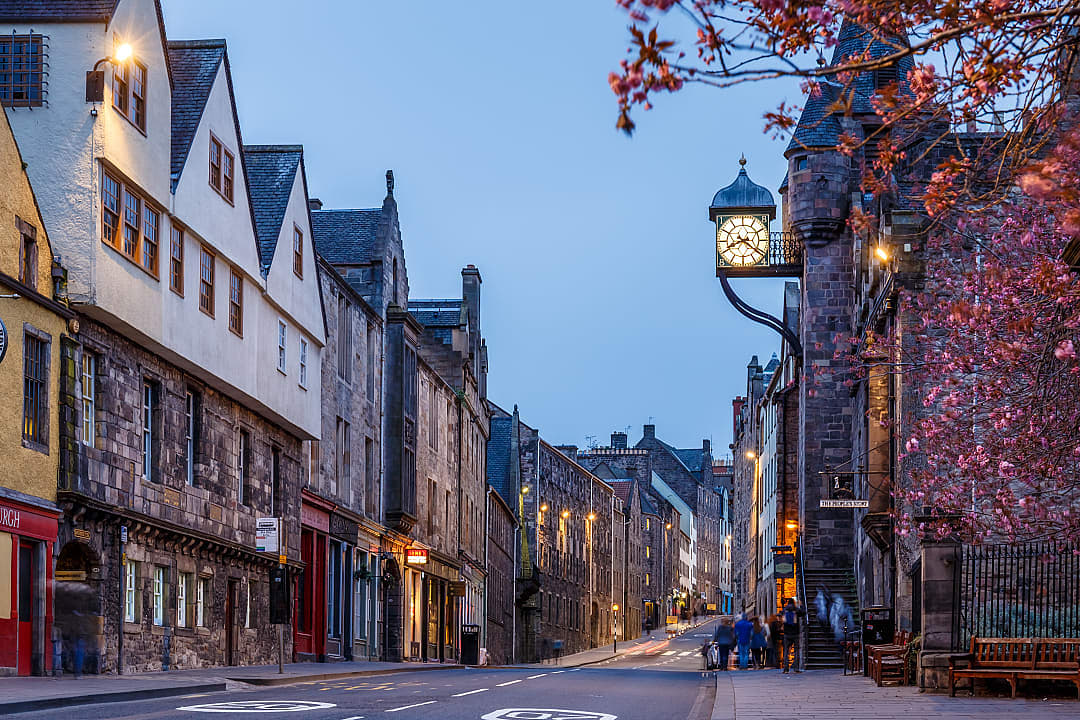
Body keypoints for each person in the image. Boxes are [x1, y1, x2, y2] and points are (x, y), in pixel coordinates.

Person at [781, 598, 804, 674]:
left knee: (786, 651)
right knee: (796, 650)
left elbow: (781, 615)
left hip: (787, 633)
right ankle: (796, 668)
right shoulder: (796, 610)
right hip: (795, 633)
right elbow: (803, 613)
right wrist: (801, 605)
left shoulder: (784, 610)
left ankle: (786, 669)